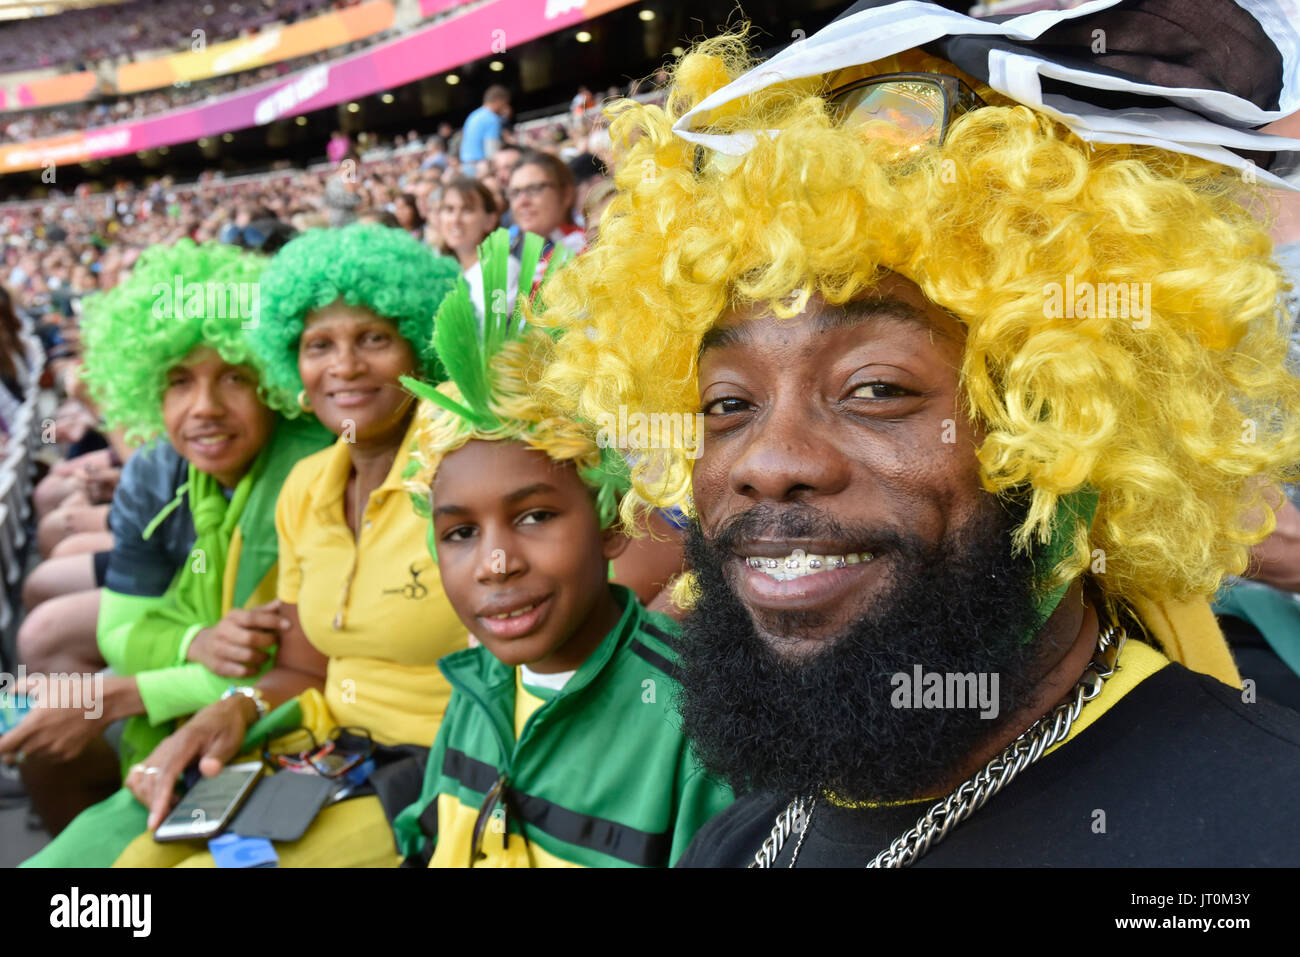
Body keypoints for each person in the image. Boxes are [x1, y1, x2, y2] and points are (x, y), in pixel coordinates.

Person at [538, 2, 1300, 867]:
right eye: (726, 404)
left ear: (1065, 422)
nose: (770, 462)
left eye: (875, 388)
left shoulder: (1262, 832)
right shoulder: (740, 840)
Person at [109, 223, 471, 868]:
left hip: (443, 769)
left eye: (374, 339)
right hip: (321, 749)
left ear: (418, 347)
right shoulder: (306, 487)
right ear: (292, 366)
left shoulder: (464, 457)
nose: (346, 366)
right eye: (318, 345)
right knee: (138, 865)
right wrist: (228, 709)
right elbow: (305, 668)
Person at [392, 235, 733, 867]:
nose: (497, 562)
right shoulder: (475, 689)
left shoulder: (695, 729)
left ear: (610, 523)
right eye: (461, 532)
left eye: (535, 516)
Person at [12, 240, 333, 852]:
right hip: (193, 708)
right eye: (180, 381)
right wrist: (197, 643)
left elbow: (308, 674)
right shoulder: (153, 472)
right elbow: (119, 636)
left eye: (235, 377)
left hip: (295, 736)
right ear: (149, 392)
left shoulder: (316, 473)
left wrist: (138, 689)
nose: (205, 408)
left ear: (272, 380)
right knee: (47, 754)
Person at [436, 180, 520, 325]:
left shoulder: (502, 269)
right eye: (449, 209)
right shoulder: (441, 270)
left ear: (490, 220)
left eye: (467, 210)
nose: (456, 219)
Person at [507, 151, 585, 287]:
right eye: (515, 192)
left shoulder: (585, 247)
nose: (522, 201)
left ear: (566, 194)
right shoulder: (508, 253)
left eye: (534, 189)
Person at [460, 85, 511, 165]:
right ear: (498, 100)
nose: (505, 107)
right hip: (480, 166)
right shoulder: (492, 118)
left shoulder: (473, 115)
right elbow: (492, 152)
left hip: (466, 164)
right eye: (505, 103)